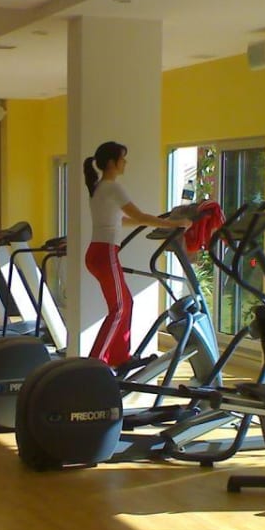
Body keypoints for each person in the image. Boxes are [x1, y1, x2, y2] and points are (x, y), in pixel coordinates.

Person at [84, 141, 190, 368]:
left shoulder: (100, 187)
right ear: (112, 162)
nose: (125, 162)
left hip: (98, 253)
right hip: (105, 253)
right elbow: (140, 216)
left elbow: (120, 220)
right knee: (119, 308)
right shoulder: (113, 187)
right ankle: (93, 364)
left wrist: (154, 222)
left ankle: (119, 357)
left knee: (126, 303)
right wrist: (175, 223)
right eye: (122, 158)